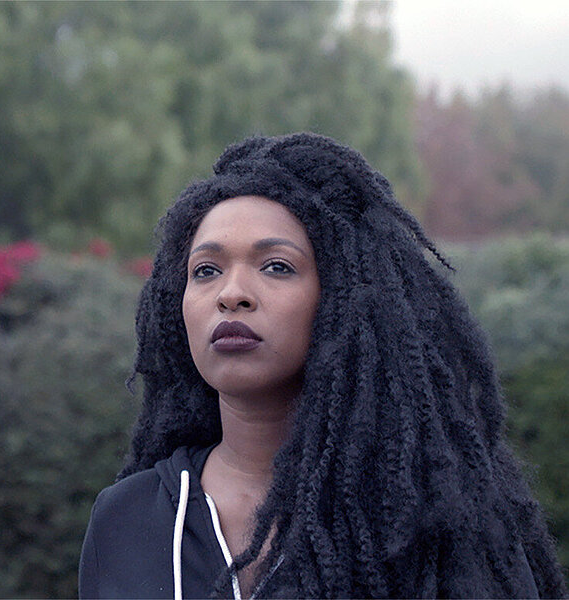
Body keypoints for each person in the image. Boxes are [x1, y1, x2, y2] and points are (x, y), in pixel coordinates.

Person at [78, 132, 567, 599]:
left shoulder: (429, 519)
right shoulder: (126, 519)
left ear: (343, 300)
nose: (231, 294)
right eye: (206, 271)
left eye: (276, 266)